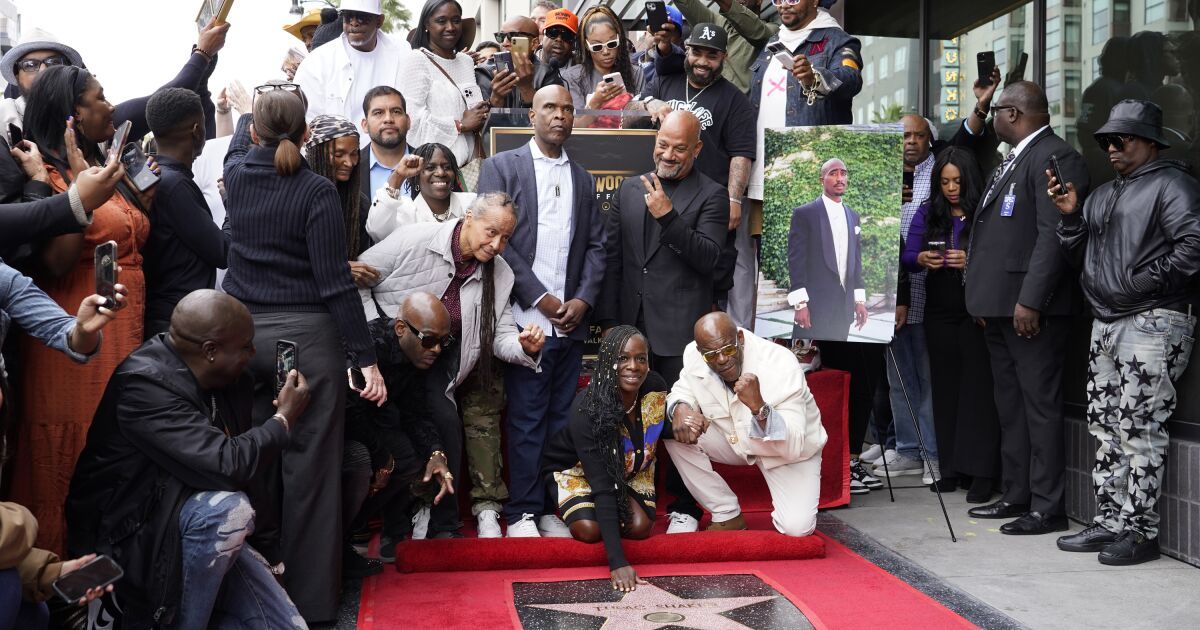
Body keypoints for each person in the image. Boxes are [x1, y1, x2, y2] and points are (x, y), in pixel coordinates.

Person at [222, 87, 386, 623]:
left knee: (258, 462)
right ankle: (313, 604)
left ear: (251, 132)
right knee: (312, 471)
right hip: (308, 340)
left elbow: (244, 147)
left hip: (245, 339)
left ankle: (258, 589)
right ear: (307, 135)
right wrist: (366, 358)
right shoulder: (316, 191)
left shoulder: (239, 179)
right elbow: (336, 284)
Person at [65, 290, 308, 628]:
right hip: (126, 543)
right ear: (210, 351)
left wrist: (272, 558)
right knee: (227, 510)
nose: (253, 353)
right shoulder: (144, 384)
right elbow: (229, 465)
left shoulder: (230, 380)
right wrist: (283, 420)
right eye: (245, 346)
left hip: (187, 525)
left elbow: (248, 475)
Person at [9, 66, 156, 556]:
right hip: (73, 326)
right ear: (73, 117)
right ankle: (59, 577)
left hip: (121, 327)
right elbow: (54, 262)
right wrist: (78, 196)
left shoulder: (101, 164)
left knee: (116, 446)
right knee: (74, 449)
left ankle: (112, 577)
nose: (111, 106)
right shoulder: (52, 174)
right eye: (100, 98)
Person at [1054, 100, 1200, 565]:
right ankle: (1111, 520)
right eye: (1106, 142)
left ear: (1150, 142)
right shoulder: (1103, 193)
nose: (1112, 148)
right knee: (1105, 425)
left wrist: (1141, 282)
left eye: (1122, 140)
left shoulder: (1173, 184)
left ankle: (1140, 532)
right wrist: (1072, 217)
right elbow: (1083, 256)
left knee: (1139, 426)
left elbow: (1195, 244)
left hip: (1152, 320)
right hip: (1108, 320)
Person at [358, 193, 546, 538]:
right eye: (491, 232)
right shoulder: (414, 238)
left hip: (438, 360)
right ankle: (402, 519)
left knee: (442, 420)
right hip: (385, 355)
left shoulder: (500, 273)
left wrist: (523, 347)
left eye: (506, 238)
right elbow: (355, 280)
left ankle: (443, 521)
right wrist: (379, 334)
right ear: (469, 217)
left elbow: (499, 332)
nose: (497, 244)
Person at [476, 85, 607, 538]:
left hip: (570, 323)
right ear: (532, 115)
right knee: (527, 417)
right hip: (524, 318)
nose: (560, 116)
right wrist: (541, 299)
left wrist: (581, 300)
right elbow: (495, 242)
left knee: (558, 419)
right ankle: (523, 513)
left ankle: (552, 507)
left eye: (568, 109)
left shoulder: (584, 178)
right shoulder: (502, 167)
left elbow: (595, 246)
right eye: (550, 107)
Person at [963, 81, 1090, 536]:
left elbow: (1052, 238)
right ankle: (1016, 494)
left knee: (1039, 407)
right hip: (999, 307)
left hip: (1031, 310)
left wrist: (1031, 299)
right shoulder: (1014, 157)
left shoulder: (1055, 157)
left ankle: (1046, 505)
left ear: (1013, 114)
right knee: (1011, 407)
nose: (992, 118)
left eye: (996, 111)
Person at [664, 312, 826, 535]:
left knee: (797, 528)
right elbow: (682, 389)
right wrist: (681, 407)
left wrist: (759, 408)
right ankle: (726, 512)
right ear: (701, 351)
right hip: (735, 440)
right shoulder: (694, 353)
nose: (721, 359)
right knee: (677, 429)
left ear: (740, 339)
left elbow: (794, 443)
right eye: (711, 354)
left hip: (785, 451)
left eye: (728, 350)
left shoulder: (779, 362)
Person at [599, 110, 727, 386]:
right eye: (663, 144)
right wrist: (609, 321)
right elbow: (612, 260)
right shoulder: (629, 189)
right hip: (629, 331)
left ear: (697, 149)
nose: (668, 155)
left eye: (680, 148)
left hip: (679, 337)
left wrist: (669, 217)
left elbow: (708, 258)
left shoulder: (713, 194)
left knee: (675, 419)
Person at [903, 147, 1001, 503]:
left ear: (969, 180)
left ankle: (982, 473)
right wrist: (922, 258)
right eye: (944, 181)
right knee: (944, 390)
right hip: (939, 310)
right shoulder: (930, 212)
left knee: (978, 391)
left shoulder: (982, 213)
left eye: (957, 181)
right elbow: (909, 256)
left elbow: (1000, 256)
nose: (951, 188)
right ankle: (950, 469)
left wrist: (969, 260)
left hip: (976, 310)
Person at [540, 325, 668, 591]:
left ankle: (605, 516)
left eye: (640, 358)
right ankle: (567, 509)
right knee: (589, 530)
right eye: (623, 358)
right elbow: (603, 485)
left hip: (628, 470)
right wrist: (617, 562)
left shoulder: (654, 389)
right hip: (576, 470)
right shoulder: (588, 408)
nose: (633, 366)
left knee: (640, 527)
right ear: (608, 360)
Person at [648, 23, 756, 330]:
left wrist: (734, 198)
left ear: (723, 57)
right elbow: (631, 106)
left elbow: (741, 153)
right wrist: (648, 103)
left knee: (710, 283)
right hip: (663, 193)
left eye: (711, 55)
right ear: (687, 51)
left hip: (709, 203)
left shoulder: (736, 101)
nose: (702, 61)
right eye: (696, 52)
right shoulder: (665, 81)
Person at [345, 292, 455, 562]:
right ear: (401, 329)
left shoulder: (415, 356)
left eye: (443, 341)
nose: (437, 349)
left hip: (377, 424)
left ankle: (392, 529)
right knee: (385, 460)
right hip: (343, 427)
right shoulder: (369, 345)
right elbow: (349, 409)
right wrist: (383, 458)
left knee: (408, 458)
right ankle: (344, 534)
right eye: (429, 340)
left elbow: (415, 413)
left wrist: (436, 453)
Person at [0, 21, 229, 141]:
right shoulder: (6, 121)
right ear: (16, 76)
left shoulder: (95, 121)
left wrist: (203, 54)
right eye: (29, 65)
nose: (42, 71)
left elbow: (161, 101)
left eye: (52, 62)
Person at [746, 0, 860, 215]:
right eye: (778, 0)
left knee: (810, 244)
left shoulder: (838, 40)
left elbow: (851, 79)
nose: (784, 6)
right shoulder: (772, 41)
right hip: (762, 173)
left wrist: (814, 77)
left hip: (807, 172)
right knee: (765, 247)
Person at [874, 114, 940, 484]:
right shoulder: (886, 172)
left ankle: (932, 454)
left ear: (930, 138)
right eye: (904, 136)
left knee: (924, 378)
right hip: (890, 291)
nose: (910, 141)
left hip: (925, 290)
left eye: (918, 135)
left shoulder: (938, 171)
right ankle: (908, 449)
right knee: (897, 377)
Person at [143, 88, 230, 339]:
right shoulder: (175, 185)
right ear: (197, 130)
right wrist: (231, 202)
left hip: (162, 315)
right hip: (176, 322)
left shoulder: (153, 175)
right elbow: (222, 251)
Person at [293, 0, 411, 138]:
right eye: (347, 16)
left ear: (379, 20)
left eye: (361, 17)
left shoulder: (402, 53)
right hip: (337, 155)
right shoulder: (317, 62)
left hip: (393, 154)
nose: (354, 23)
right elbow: (306, 122)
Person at [402, 0, 488, 187]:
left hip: (471, 169)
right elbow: (411, 122)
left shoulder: (465, 62)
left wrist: (491, 101)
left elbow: (473, 110)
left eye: (456, 20)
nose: (450, 27)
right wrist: (460, 125)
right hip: (436, 172)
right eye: (441, 21)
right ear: (427, 25)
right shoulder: (418, 59)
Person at [787, 158, 867, 342]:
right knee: (805, 358)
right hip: (814, 308)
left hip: (843, 310)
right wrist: (800, 305)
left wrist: (859, 302)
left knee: (839, 359)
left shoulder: (853, 216)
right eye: (833, 173)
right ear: (821, 179)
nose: (840, 178)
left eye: (843, 173)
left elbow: (856, 261)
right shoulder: (804, 213)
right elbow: (796, 261)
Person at [303, 114, 378, 295]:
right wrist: (340, 268)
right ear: (317, 153)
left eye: (354, 154)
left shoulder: (359, 204)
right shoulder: (296, 195)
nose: (349, 162)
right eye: (339, 154)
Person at [561, 6, 651, 128]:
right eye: (597, 46)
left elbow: (642, 121)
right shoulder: (572, 76)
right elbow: (573, 127)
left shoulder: (635, 73)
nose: (606, 51)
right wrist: (595, 104)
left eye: (611, 44)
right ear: (586, 45)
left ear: (619, 40)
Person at [366, 142, 475, 241]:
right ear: (416, 176)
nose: (441, 173)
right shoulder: (405, 212)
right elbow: (377, 231)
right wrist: (397, 177)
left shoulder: (472, 203)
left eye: (447, 167)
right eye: (430, 168)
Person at [670, 0, 776, 95]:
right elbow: (687, 3)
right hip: (707, 101)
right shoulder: (717, 21)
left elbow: (759, 33)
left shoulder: (772, 30)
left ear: (759, 1)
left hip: (741, 107)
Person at [477, 16, 565, 129]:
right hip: (494, 144)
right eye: (501, 37)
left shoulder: (548, 74)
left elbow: (552, 122)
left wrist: (527, 88)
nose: (505, 43)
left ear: (534, 43)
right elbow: (480, 126)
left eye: (513, 37)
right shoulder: (484, 72)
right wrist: (496, 98)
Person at [359, 86, 413, 202]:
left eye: (396, 112)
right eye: (378, 113)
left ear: (408, 121)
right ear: (365, 125)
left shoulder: (430, 163)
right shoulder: (351, 169)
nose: (388, 119)